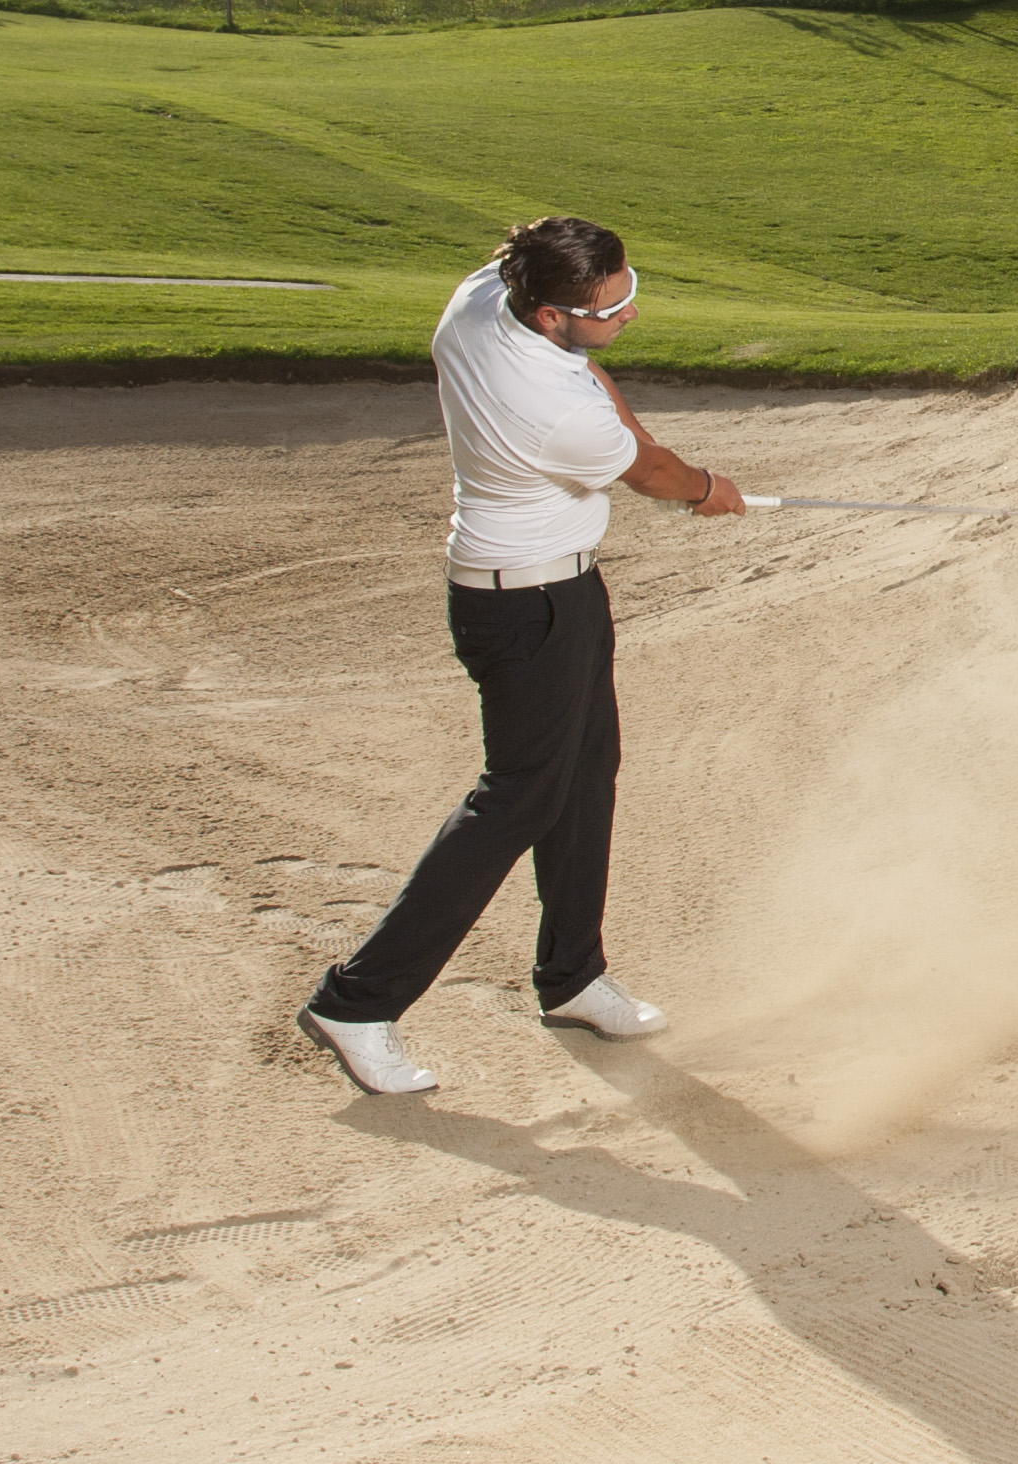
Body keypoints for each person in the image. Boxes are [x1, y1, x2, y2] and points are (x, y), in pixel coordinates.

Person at [298, 215, 748, 1096]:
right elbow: (651, 476)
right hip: (524, 607)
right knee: (514, 802)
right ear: (551, 315)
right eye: (612, 308)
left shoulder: (482, 296)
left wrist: (656, 449)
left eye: (630, 293)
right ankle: (357, 1001)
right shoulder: (546, 407)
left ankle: (572, 976)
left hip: (559, 594)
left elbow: (602, 390)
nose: (628, 316)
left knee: (587, 772)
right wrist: (703, 488)